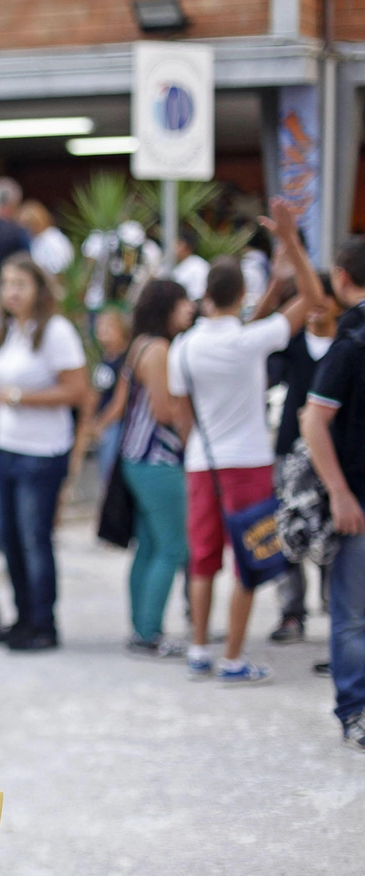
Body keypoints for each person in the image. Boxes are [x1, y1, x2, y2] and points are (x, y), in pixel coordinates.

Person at [168, 203, 324, 685]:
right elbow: (316, 300)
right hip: (250, 464)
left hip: (202, 463)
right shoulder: (250, 342)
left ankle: (198, 649)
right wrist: (293, 246)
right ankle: (233, 658)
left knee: (203, 559)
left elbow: (179, 412)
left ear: (205, 296)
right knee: (247, 560)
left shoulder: (184, 347)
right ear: (241, 295)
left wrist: (194, 443)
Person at [0, 254, 89, 651]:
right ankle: (22, 616)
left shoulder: (56, 331)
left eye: (20, 284)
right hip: (8, 447)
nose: (11, 292)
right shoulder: (10, 329)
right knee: (7, 538)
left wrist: (25, 398)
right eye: (6, 283)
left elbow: (77, 390)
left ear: (38, 289)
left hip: (41, 452)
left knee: (34, 538)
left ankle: (43, 622)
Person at [300, 236, 365, 751]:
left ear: (341, 279)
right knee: (352, 613)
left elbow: (313, 422)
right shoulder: (350, 344)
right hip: (357, 506)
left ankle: (355, 711)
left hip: (355, 500)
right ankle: (355, 708)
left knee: (351, 615)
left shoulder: (350, 343)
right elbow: (315, 422)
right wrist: (340, 494)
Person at [105, 280, 194, 657]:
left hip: (136, 458)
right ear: (168, 307)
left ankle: (141, 627)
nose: (190, 310)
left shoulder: (139, 344)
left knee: (149, 547)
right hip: (158, 460)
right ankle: (149, 632)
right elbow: (163, 411)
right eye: (184, 304)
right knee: (173, 547)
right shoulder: (157, 349)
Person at [257, 275, 341, 643]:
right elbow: (254, 335)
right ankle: (292, 612)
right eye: (312, 298)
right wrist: (274, 292)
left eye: (325, 298)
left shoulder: (349, 345)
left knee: (335, 534)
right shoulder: (292, 343)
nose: (318, 305)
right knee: (289, 531)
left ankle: (337, 612)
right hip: (291, 449)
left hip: (336, 451)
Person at [90, 309, 131, 489]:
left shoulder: (125, 359)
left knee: (111, 472)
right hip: (103, 424)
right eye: (100, 328)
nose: (103, 332)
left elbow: (120, 401)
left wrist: (101, 422)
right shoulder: (105, 358)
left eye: (108, 327)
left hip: (115, 424)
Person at [18, 200, 73, 277]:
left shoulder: (51, 239)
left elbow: (60, 270)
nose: (26, 230)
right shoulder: (38, 240)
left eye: (27, 225)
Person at [171, 225, 210, 302]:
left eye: (178, 243)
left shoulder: (198, 267)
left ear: (186, 246)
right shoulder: (179, 265)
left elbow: (199, 296)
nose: (173, 246)